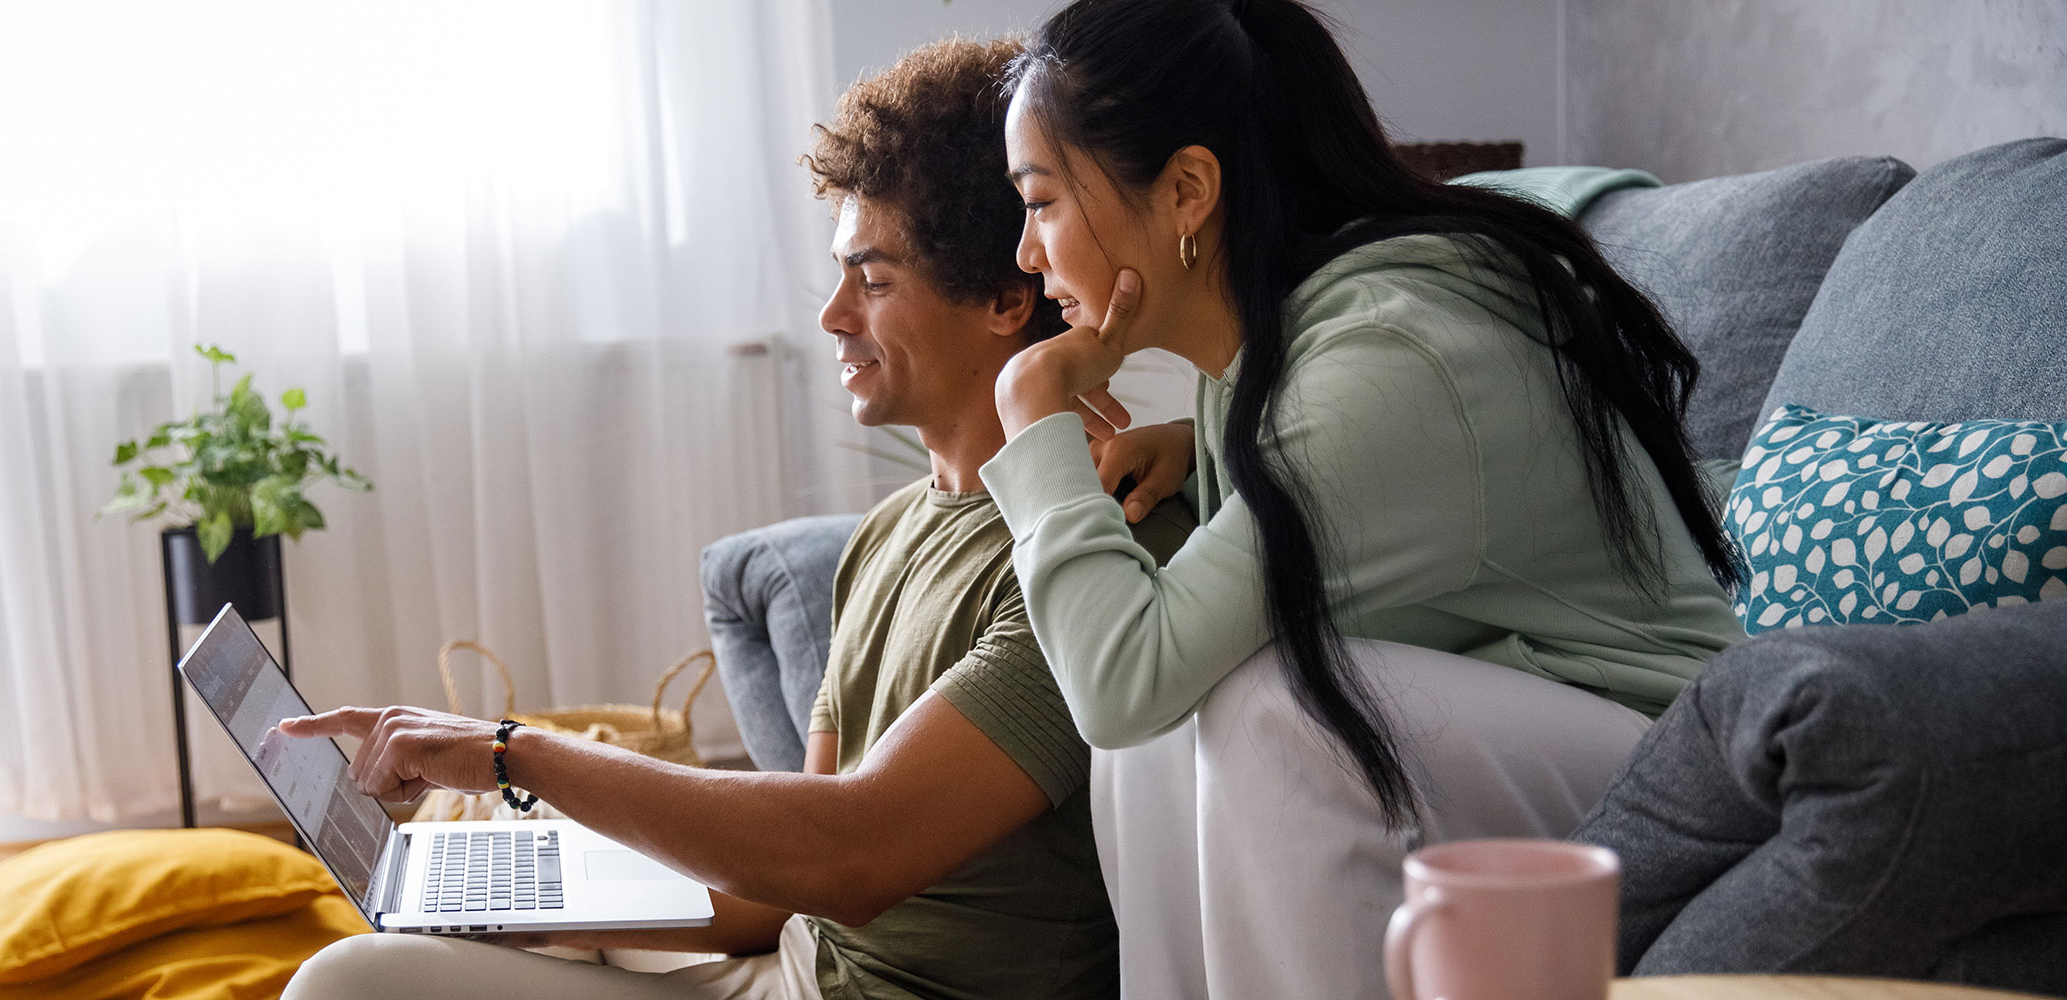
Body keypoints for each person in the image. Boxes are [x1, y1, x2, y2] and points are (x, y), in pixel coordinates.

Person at [277, 38, 1188, 1000]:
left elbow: (853, 856)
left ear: (1009, 300)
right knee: (385, 965)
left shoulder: (1089, 551)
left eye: (873, 282)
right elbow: (775, 894)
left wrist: (514, 755)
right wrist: (530, 903)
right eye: (841, 274)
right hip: (782, 976)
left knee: (350, 986)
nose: (833, 315)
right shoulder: (886, 533)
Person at [970, 0, 1748, 995]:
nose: (1029, 255)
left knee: (1269, 709)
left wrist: (1032, 416)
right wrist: (1204, 455)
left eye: (1040, 202)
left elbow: (1121, 678)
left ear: (1187, 192)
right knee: (1186, 720)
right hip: (1533, 718)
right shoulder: (1289, 353)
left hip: (1673, 774)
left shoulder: (1386, 363)